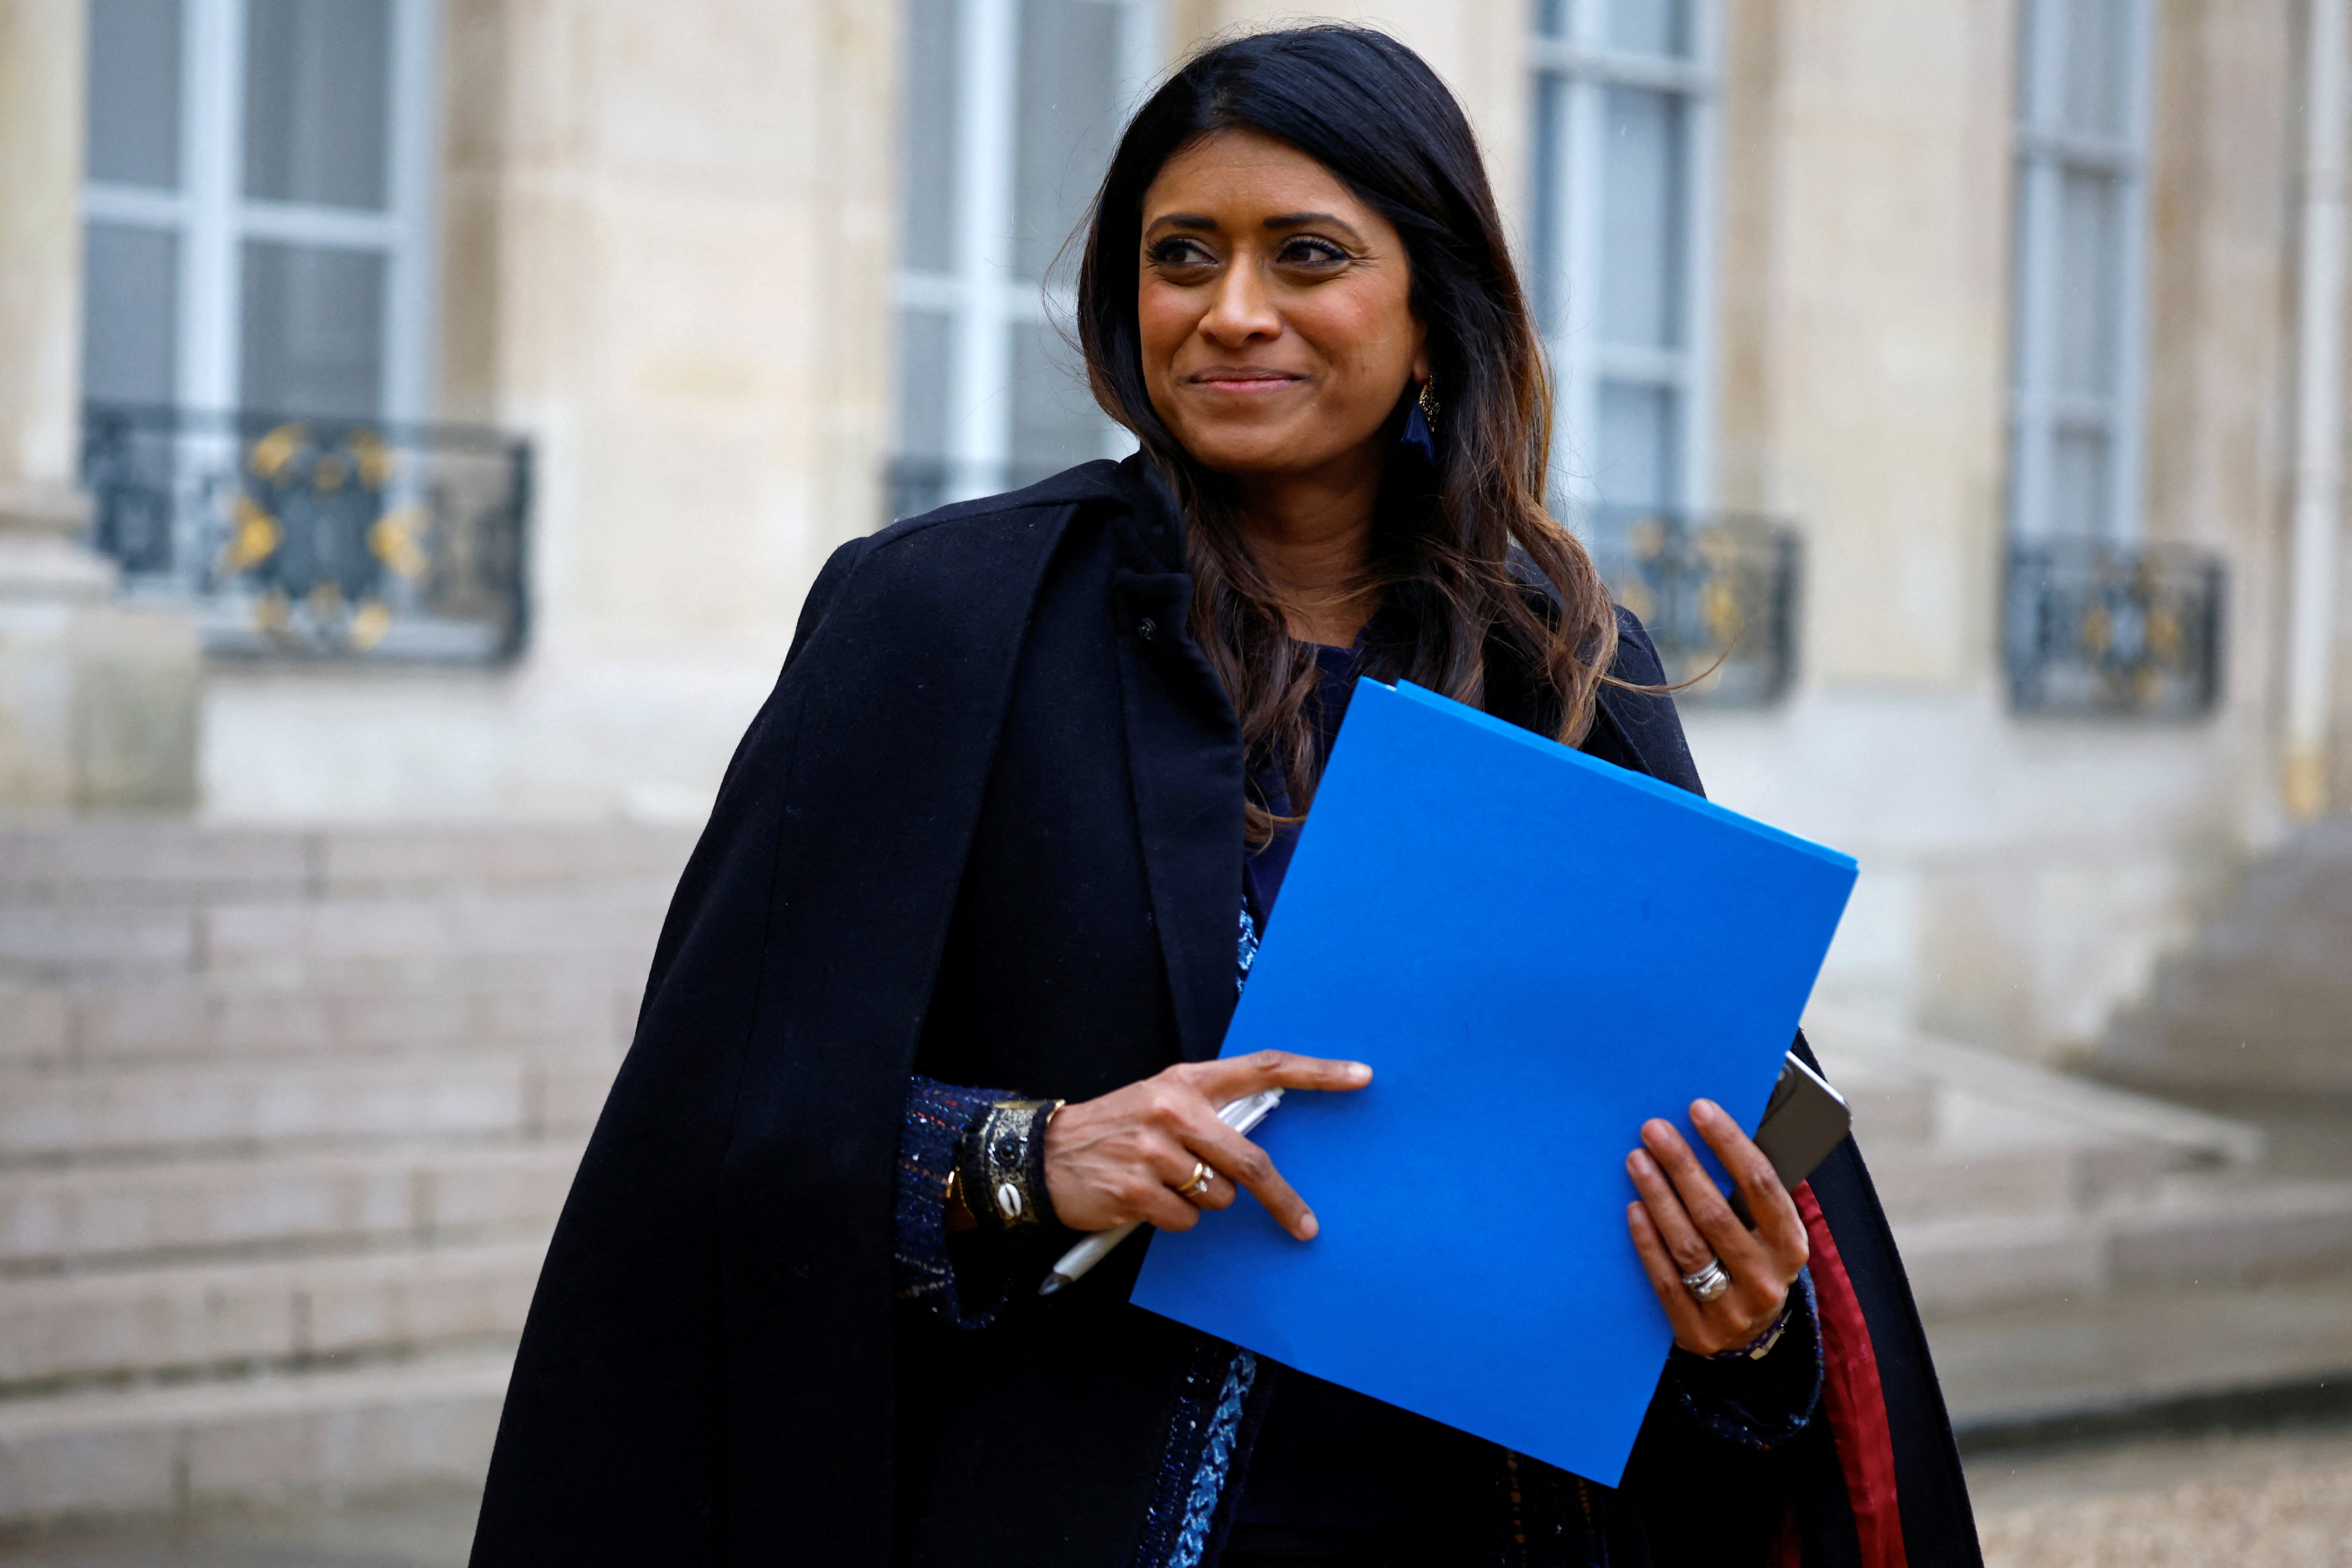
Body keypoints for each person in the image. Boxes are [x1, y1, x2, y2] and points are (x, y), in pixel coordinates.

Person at [471, 25, 1978, 1568]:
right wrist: (1027, 1158)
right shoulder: (942, 621)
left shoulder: (1570, 669)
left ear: (1432, 304)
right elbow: (714, 1126)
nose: (1232, 310)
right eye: (1181, 254)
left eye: (1307, 254)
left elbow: (1735, 1209)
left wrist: (1742, 1313)